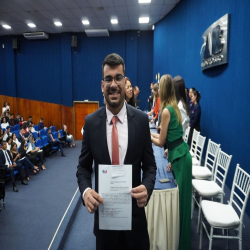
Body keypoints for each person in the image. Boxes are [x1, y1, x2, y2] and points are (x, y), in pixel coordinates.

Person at [76, 53, 157, 250]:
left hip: (135, 223)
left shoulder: (140, 120)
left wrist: (147, 187)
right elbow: (83, 168)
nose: (113, 84)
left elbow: (150, 166)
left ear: (125, 81)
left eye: (118, 78)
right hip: (105, 225)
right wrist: (86, 191)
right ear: (102, 84)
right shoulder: (91, 122)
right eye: (108, 79)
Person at [151, 74, 192, 250]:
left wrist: (147, 135)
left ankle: (182, 245)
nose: (157, 90)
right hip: (180, 155)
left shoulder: (167, 110)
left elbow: (161, 141)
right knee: (181, 204)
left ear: (164, 89)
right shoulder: (173, 106)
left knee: (182, 206)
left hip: (181, 159)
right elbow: (167, 138)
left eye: (159, 87)